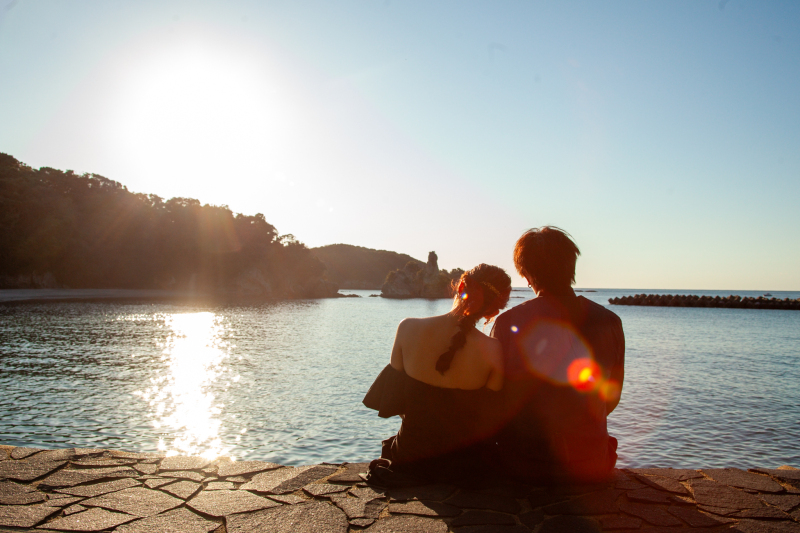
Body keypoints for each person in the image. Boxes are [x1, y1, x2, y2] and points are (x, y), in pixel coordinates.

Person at [491, 227, 625, 483]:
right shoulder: (610, 322)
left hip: (523, 465)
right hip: (592, 463)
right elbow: (612, 398)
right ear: (571, 267)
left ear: (527, 274)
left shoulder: (508, 321)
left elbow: (495, 400)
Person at [362, 264, 512, 486]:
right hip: (464, 467)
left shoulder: (407, 328)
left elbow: (395, 400)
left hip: (410, 459)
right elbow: (490, 418)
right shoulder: (494, 350)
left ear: (460, 286)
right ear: (493, 310)